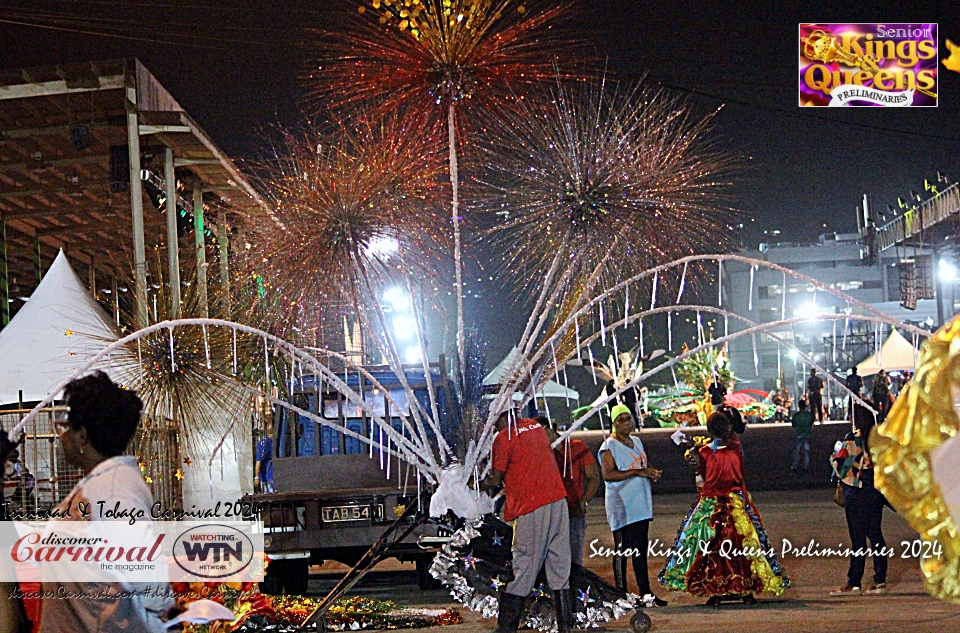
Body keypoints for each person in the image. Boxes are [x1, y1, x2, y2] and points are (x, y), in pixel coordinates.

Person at [40, 371, 178, 633]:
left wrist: (167, 616)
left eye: (66, 427)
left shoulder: (114, 492)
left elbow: (149, 579)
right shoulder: (106, 485)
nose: (62, 436)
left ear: (82, 437)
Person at [660, 410, 789, 605]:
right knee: (744, 548)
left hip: (711, 506)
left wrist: (690, 447)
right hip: (735, 504)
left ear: (710, 430)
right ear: (728, 428)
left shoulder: (704, 451)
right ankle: (745, 589)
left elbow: (699, 471)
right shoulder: (736, 448)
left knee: (710, 549)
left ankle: (716, 591)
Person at [481, 409, 573, 633]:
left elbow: (495, 477)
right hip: (557, 501)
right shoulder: (535, 427)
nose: (491, 426)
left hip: (531, 506)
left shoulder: (504, 438)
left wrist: (475, 483)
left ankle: (506, 628)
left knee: (524, 565)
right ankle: (566, 627)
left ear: (500, 416)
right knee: (559, 566)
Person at [598, 404, 667, 607]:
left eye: (629, 419)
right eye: (621, 420)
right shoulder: (608, 446)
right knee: (622, 550)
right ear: (613, 423)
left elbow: (640, 466)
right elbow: (608, 475)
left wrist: (650, 472)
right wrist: (637, 473)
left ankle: (645, 592)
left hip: (641, 506)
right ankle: (620, 594)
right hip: (622, 507)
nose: (627, 423)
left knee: (640, 550)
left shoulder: (636, 441)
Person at [830, 403, 888, 596]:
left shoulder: (852, 440)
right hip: (875, 492)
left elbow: (841, 466)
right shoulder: (879, 439)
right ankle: (880, 580)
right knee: (876, 535)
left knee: (858, 539)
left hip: (856, 492)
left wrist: (834, 456)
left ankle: (854, 582)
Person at [536, 417, 600, 568]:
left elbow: (593, 477)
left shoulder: (576, 447)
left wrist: (584, 501)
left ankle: (575, 590)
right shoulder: (539, 453)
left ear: (547, 428)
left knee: (574, 559)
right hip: (548, 514)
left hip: (573, 511)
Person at [789, 399, 814, 475]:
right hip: (807, 434)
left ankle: (794, 468)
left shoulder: (796, 415)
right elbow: (811, 424)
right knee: (806, 452)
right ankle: (806, 468)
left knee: (796, 452)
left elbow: (793, 425)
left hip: (798, 434)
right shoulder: (809, 415)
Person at [255, 421, 275, 493]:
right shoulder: (265, 443)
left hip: (270, 475)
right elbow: (258, 461)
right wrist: (257, 477)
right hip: (269, 475)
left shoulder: (269, 442)